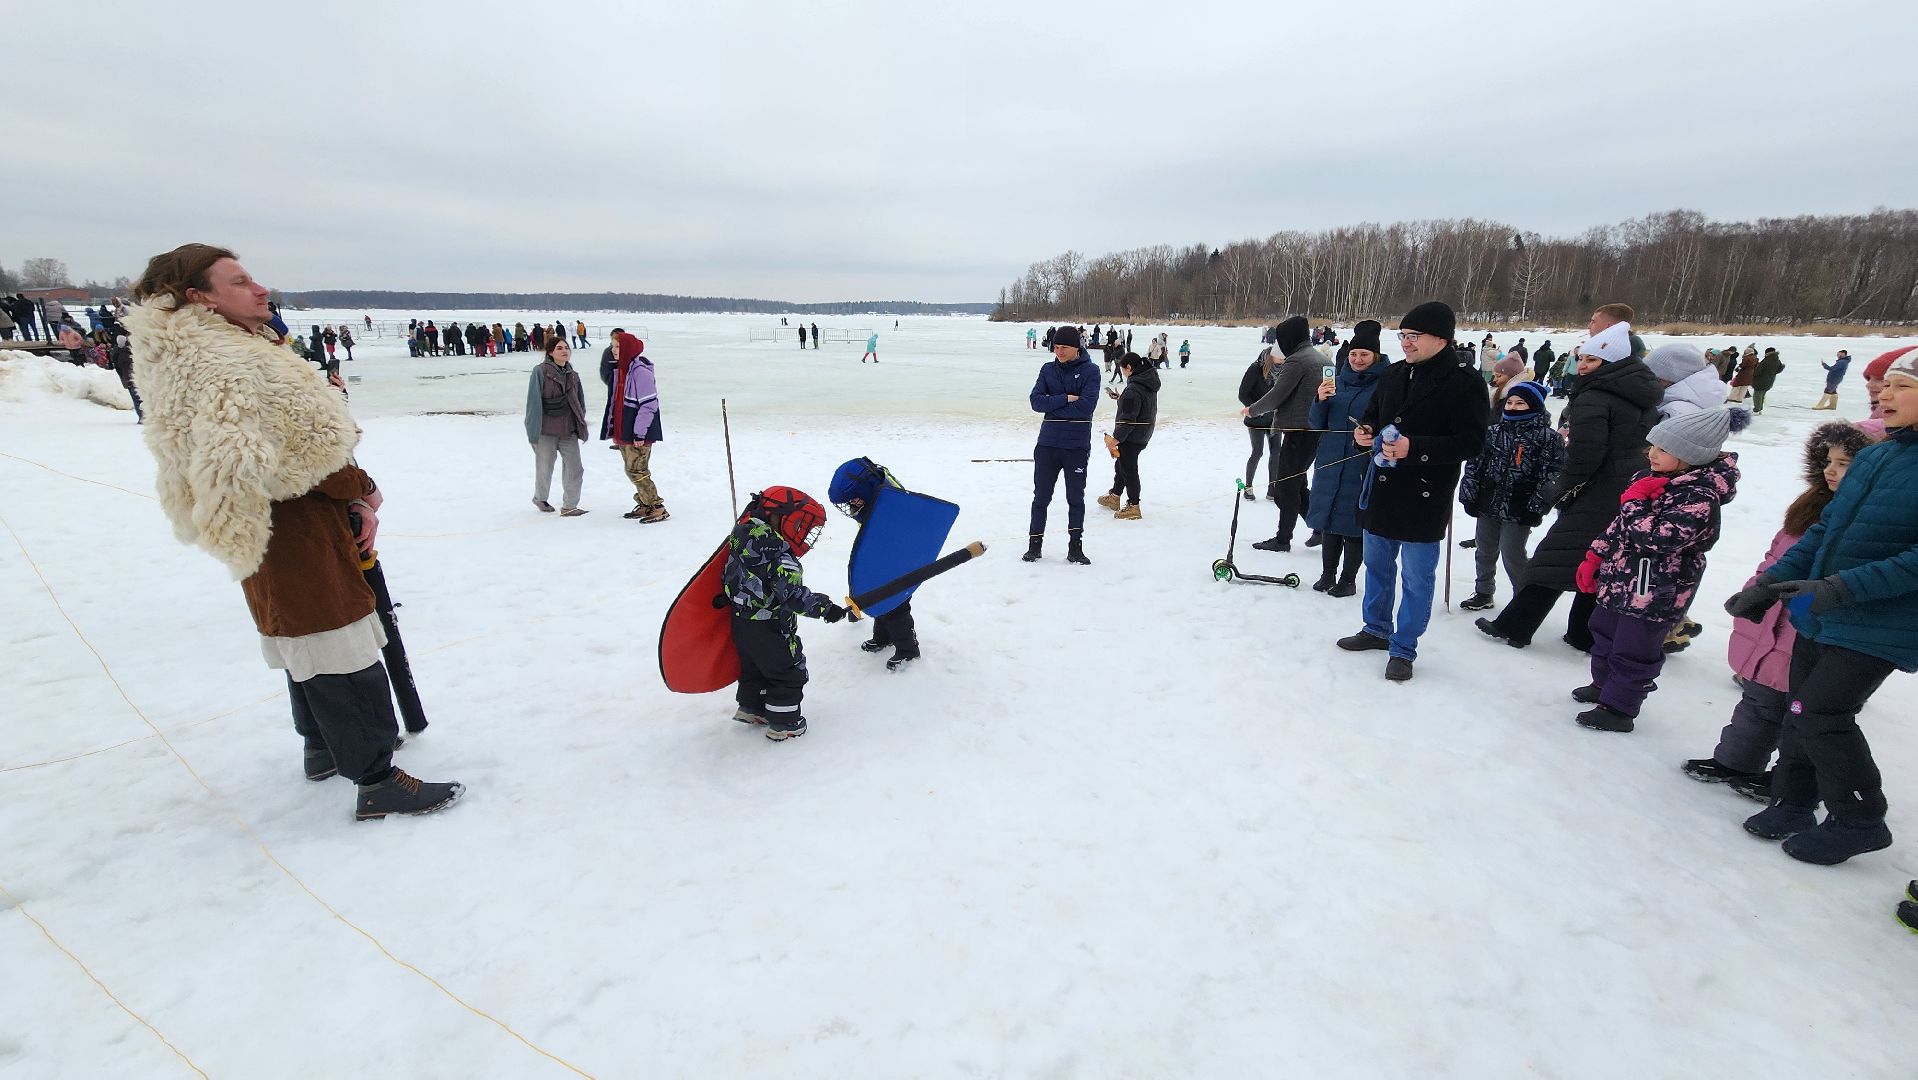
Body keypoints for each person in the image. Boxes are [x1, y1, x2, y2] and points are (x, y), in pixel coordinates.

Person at [123, 243, 461, 820]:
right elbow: (289, 453)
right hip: (291, 526)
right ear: (198, 297)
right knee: (337, 642)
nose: (260, 289)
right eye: (240, 281)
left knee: (301, 636)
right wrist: (358, 486)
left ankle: (322, 746)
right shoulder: (223, 361)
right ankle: (375, 777)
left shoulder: (203, 348)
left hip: (268, 525)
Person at [1722, 353, 1918, 864]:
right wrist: (1770, 585)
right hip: (1824, 611)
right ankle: (1793, 802)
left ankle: (1859, 820)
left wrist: (1840, 586)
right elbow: (1826, 529)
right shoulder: (1880, 455)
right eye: (1886, 385)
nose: (1885, 395)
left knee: (1825, 714)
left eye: (1901, 386)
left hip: (1880, 622)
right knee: (1799, 708)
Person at [1685, 422, 1877, 797]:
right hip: (1773, 616)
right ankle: (1735, 760)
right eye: (1828, 461)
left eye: (1845, 463)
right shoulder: (1812, 507)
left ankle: (1789, 780)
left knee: (1801, 711)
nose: (1831, 470)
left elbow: (1844, 578)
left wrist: (1797, 606)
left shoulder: (1865, 518)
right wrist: (1759, 590)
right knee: (1760, 696)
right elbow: (1778, 556)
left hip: (1810, 624)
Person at [1475, 311, 1660, 651]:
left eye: (1593, 359)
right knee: (1596, 557)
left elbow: (1585, 453)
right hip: (1630, 483)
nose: (1584, 365)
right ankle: (1582, 632)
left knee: (1554, 557)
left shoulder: (1595, 396)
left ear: (1612, 361)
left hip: (1600, 487)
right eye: (1583, 358)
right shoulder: (1638, 391)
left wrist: (1562, 489)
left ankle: (1516, 626)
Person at [1337, 301, 1489, 681]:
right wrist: (1364, 434)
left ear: (1441, 338)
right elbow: (1373, 416)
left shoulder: (1464, 381)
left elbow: (1471, 443)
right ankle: (1375, 629)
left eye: (1413, 336)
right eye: (1402, 335)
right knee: (1377, 566)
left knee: (1417, 578)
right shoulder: (1391, 375)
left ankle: (1403, 647)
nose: (1405, 342)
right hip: (1382, 488)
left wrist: (1415, 448)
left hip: (1425, 494)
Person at [1571, 407, 1745, 732]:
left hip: (1655, 589)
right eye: (1652, 445)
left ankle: (1619, 708)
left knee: (1634, 648)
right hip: (1620, 577)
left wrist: (1633, 502)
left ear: (1690, 455)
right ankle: (1603, 686)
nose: (1652, 454)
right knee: (1604, 632)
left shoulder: (1699, 496)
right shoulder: (1650, 480)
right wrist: (1595, 556)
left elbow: (1658, 539)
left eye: (1663, 449)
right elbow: (1620, 526)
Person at [725, 487, 852, 740]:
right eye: (801, 525)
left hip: (741, 621)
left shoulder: (742, 535)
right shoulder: (779, 553)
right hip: (771, 625)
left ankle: (752, 707)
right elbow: (793, 596)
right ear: (781, 516)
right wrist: (826, 608)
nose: (803, 533)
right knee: (788, 671)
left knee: (754, 667)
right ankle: (785, 722)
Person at [1458, 381, 1565, 612]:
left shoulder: (1548, 438)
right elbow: (1474, 465)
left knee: (1512, 553)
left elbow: (1552, 475)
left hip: (1520, 505)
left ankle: (1523, 599)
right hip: (1489, 500)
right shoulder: (1493, 432)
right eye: (1511, 402)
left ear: (1535, 406)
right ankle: (1483, 591)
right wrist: (1469, 494)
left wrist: (1537, 506)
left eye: (1521, 403)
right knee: (1485, 549)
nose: (1514, 407)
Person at [828, 458, 930, 670]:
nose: (851, 506)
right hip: (879, 560)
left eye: (853, 500)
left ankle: (908, 650)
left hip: (898, 562)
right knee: (879, 600)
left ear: (866, 490)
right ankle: (883, 637)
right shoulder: (873, 499)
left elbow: (901, 535)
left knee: (896, 607)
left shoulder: (892, 502)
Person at [1304, 323, 1383, 596]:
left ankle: (1348, 579)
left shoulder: (1384, 384)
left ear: (1375, 356)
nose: (1358, 359)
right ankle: (1327, 574)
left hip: (1362, 461)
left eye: (1364, 355)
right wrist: (1320, 400)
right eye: (1353, 354)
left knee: (1352, 522)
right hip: (1330, 457)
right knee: (1328, 519)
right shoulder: (1335, 381)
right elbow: (1316, 424)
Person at [1242, 317, 1328, 552]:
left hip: (1298, 432)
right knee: (1298, 485)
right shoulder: (1324, 358)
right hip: (1315, 430)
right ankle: (1321, 529)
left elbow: (1278, 394)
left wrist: (1253, 410)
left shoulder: (1297, 361)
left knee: (1284, 489)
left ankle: (1283, 539)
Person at [1024, 326, 1098, 564]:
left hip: (1076, 445)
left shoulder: (1091, 371)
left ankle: (1075, 547)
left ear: (1076, 347)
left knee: (1075, 498)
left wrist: (1051, 404)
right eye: (1055, 347)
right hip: (1047, 444)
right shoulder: (1047, 369)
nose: (1059, 352)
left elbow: (1086, 407)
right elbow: (1036, 401)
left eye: (1063, 347)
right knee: (1041, 497)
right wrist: (1065, 398)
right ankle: (1034, 545)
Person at [606, 331, 667, 522]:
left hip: (638, 433)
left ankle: (656, 506)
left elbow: (649, 405)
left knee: (637, 470)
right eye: (613, 346)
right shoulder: (622, 370)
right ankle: (645, 503)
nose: (613, 350)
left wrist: (639, 433)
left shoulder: (641, 373)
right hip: (625, 431)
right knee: (631, 469)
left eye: (618, 347)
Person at [524, 336, 589, 516]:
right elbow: (533, 402)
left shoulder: (573, 375)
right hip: (546, 430)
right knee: (545, 467)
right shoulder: (540, 371)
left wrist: (580, 423)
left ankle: (570, 505)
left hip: (568, 430)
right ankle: (540, 498)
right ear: (550, 352)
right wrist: (532, 431)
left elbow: (579, 401)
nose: (564, 351)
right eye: (559, 348)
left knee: (575, 468)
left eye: (566, 347)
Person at [1096, 352, 1158, 519]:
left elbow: (1128, 418)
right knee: (1122, 465)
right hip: (1143, 432)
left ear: (1129, 368)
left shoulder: (1134, 388)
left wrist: (1116, 439)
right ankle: (1115, 497)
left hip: (1132, 435)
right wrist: (1121, 399)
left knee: (1129, 469)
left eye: (1123, 369)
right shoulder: (1145, 382)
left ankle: (1133, 506)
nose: (1122, 372)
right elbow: (1138, 407)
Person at [1238, 344, 1281, 502]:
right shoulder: (1255, 369)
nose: (1283, 359)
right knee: (1258, 452)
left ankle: (1273, 488)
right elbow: (1243, 394)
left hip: (1275, 419)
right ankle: (1248, 487)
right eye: (1280, 356)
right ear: (1271, 356)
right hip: (1256, 419)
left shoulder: (1284, 370)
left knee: (1276, 452)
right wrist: (1256, 409)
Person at [1644, 342, 1728, 419]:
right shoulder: (1681, 399)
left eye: (1653, 377)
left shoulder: (1675, 413)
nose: (1646, 381)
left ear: (1673, 378)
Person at [108, 332, 141, 422]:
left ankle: (142, 417)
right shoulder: (129, 353)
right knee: (139, 399)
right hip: (134, 378)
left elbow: (117, 367)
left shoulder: (117, 353)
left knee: (136, 399)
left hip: (128, 379)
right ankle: (143, 417)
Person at [1751, 347, 1785, 413]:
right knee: (1762, 394)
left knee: (1757, 395)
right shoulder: (1777, 360)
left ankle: (1756, 409)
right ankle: (1760, 408)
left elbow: (1757, 372)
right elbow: (1779, 369)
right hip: (1770, 380)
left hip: (1761, 380)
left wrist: (1753, 373)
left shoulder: (1766, 361)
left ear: (1768, 353)